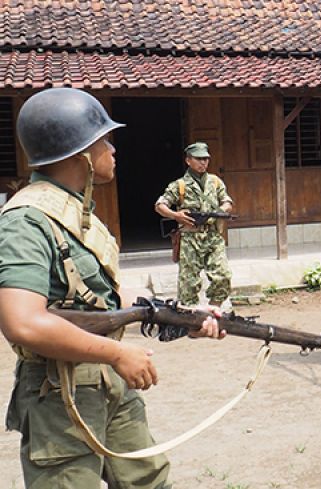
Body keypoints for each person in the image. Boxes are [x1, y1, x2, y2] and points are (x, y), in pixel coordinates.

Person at [0, 87, 225, 488]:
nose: (112, 149)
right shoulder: (26, 219)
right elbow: (23, 323)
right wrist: (118, 351)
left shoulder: (75, 209)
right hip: (60, 393)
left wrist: (184, 317)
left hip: (107, 381)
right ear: (80, 154)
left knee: (148, 480)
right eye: (103, 140)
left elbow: (105, 300)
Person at [155, 142, 234, 308]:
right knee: (188, 284)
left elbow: (227, 202)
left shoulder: (215, 182)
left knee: (223, 276)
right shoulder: (180, 185)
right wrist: (176, 215)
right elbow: (160, 206)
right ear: (188, 160)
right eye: (199, 159)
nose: (203, 162)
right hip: (190, 238)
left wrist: (218, 212)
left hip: (213, 236)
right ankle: (189, 319)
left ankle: (213, 311)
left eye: (205, 159)